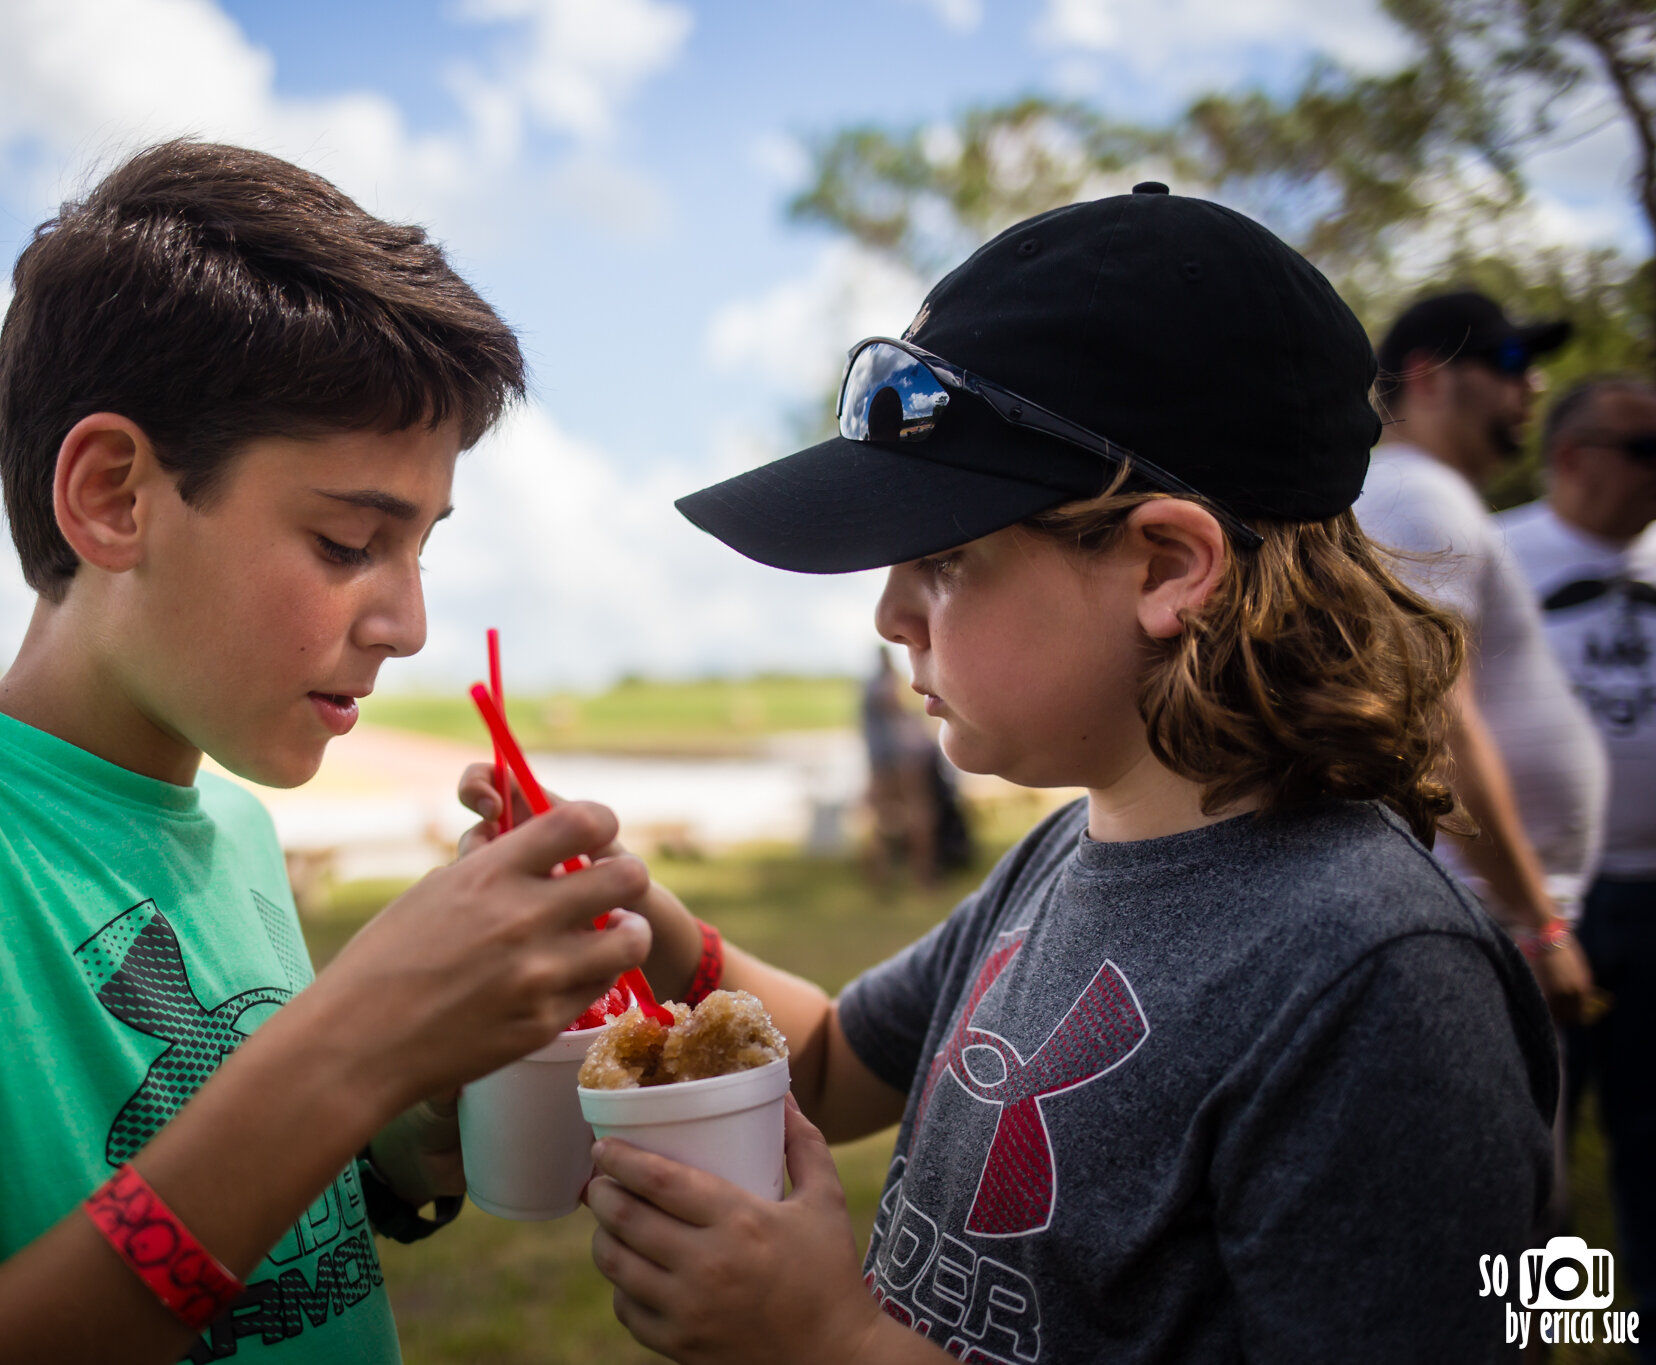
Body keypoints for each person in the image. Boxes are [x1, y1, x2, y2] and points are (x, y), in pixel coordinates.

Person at [462, 185, 1556, 1361]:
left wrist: (835, 1343)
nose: (887, 615)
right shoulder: (1069, 854)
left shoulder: (1375, 980)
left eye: (942, 561)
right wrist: (633, 911)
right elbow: (833, 1069)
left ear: (1165, 566)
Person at [0, 140, 653, 1365]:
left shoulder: (235, 828)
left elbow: (268, 1199)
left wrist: (429, 1092)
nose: (407, 624)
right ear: (114, 497)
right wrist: (348, 1042)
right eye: (346, 540)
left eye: (424, 549)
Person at [1353, 291, 1600, 1025]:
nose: (1535, 385)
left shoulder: (1418, 495)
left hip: (1470, 910)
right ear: (1427, 379)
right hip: (1474, 917)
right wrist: (1536, 920)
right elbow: (1434, 725)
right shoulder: (1414, 496)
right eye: (1511, 361)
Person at [1500, 375, 1656, 1351]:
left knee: (1651, 1139)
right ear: (1571, 457)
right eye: (1643, 451)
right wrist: (1531, 917)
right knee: (1529, 1148)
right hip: (1537, 903)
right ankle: (1535, 1334)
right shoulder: (1493, 554)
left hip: (1652, 896)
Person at [861, 645, 938, 884]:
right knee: (918, 810)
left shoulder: (868, 685)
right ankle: (923, 872)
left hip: (879, 759)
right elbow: (896, 709)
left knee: (879, 815)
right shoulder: (886, 683)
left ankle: (883, 874)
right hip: (900, 758)